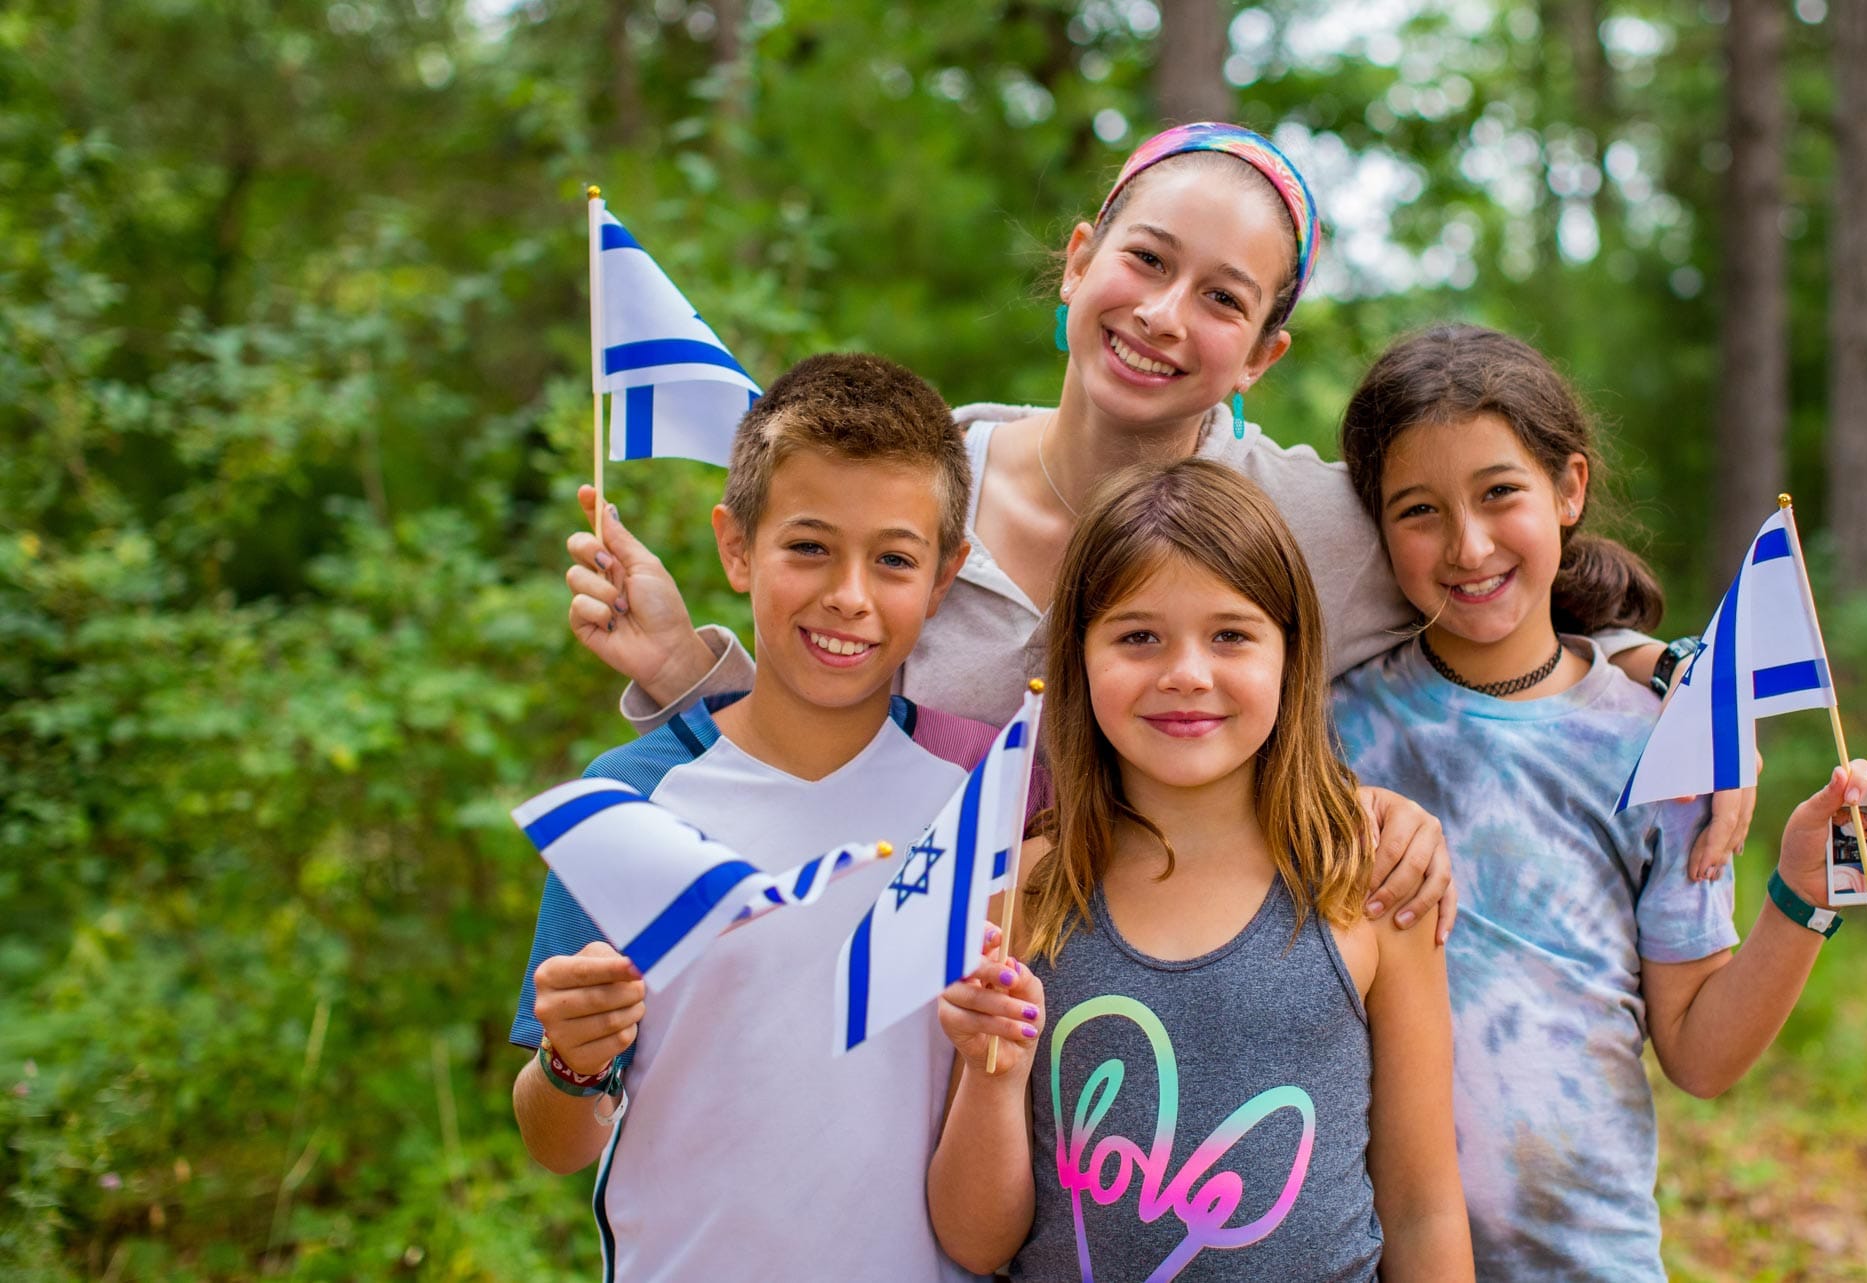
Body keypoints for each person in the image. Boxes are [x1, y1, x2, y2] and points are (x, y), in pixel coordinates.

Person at [561, 122, 1761, 932]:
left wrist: (1694, 692)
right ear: (1082, 262)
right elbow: (807, 745)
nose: (1166, 315)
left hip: (1155, 1069)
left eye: (1225, 299)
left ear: (1264, 352)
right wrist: (685, 669)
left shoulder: (1300, 527)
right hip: (916, 1048)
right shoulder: (924, 486)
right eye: (1146, 260)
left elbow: (1492, 587)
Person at [1327, 325, 1867, 1281]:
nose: (1468, 543)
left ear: (1569, 488)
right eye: (1419, 510)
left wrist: (1803, 892)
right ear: (1375, 525)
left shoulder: (1666, 741)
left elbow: (1700, 1051)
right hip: (1361, 1253)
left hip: (1585, 1254)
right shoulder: (1334, 729)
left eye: (1500, 493)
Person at [508, 354, 1002, 1282]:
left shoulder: (988, 788)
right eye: (808, 546)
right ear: (737, 548)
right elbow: (555, 1140)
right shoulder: (629, 801)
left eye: (894, 559)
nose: (849, 594)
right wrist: (573, 1061)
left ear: (945, 577)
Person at [928, 459, 1473, 1280]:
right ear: (1080, 656)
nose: (1186, 672)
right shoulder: (1026, 887)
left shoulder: (1367, 883)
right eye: (1138, 635)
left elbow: (1423, 1205)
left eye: (1231, 634)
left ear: (1291, 654)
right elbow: (976, 1241)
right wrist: (989, 1073)